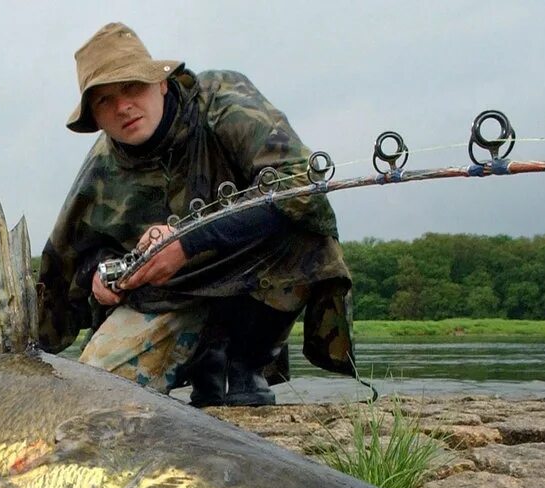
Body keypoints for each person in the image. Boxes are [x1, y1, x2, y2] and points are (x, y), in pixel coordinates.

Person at [36, 22, 358, 406]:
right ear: (95, 118)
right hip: (164, 297)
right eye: (104, 100)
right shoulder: (99, 169)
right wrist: (99, 276)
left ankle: (244, 364)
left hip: (248, 273)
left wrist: (187, 243)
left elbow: (300, 185)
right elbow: (80, 254)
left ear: (162, 83)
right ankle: (203, 360)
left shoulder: (224, 99)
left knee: (306, 232)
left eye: (131, 87)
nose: (123, 106)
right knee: (93, 397)